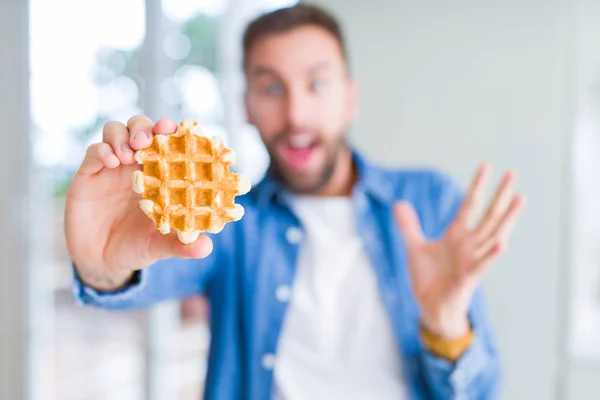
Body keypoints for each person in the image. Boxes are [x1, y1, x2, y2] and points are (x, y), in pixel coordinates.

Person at [65, 4, 525, 400]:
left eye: (317, 84)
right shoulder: (225, 225)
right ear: (247, 106)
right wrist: (102, 261)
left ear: (350, 97)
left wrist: (444, 324)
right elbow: (139, 274)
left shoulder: (430, 201)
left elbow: (480, 391)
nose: (296, 115)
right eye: (271, 88)